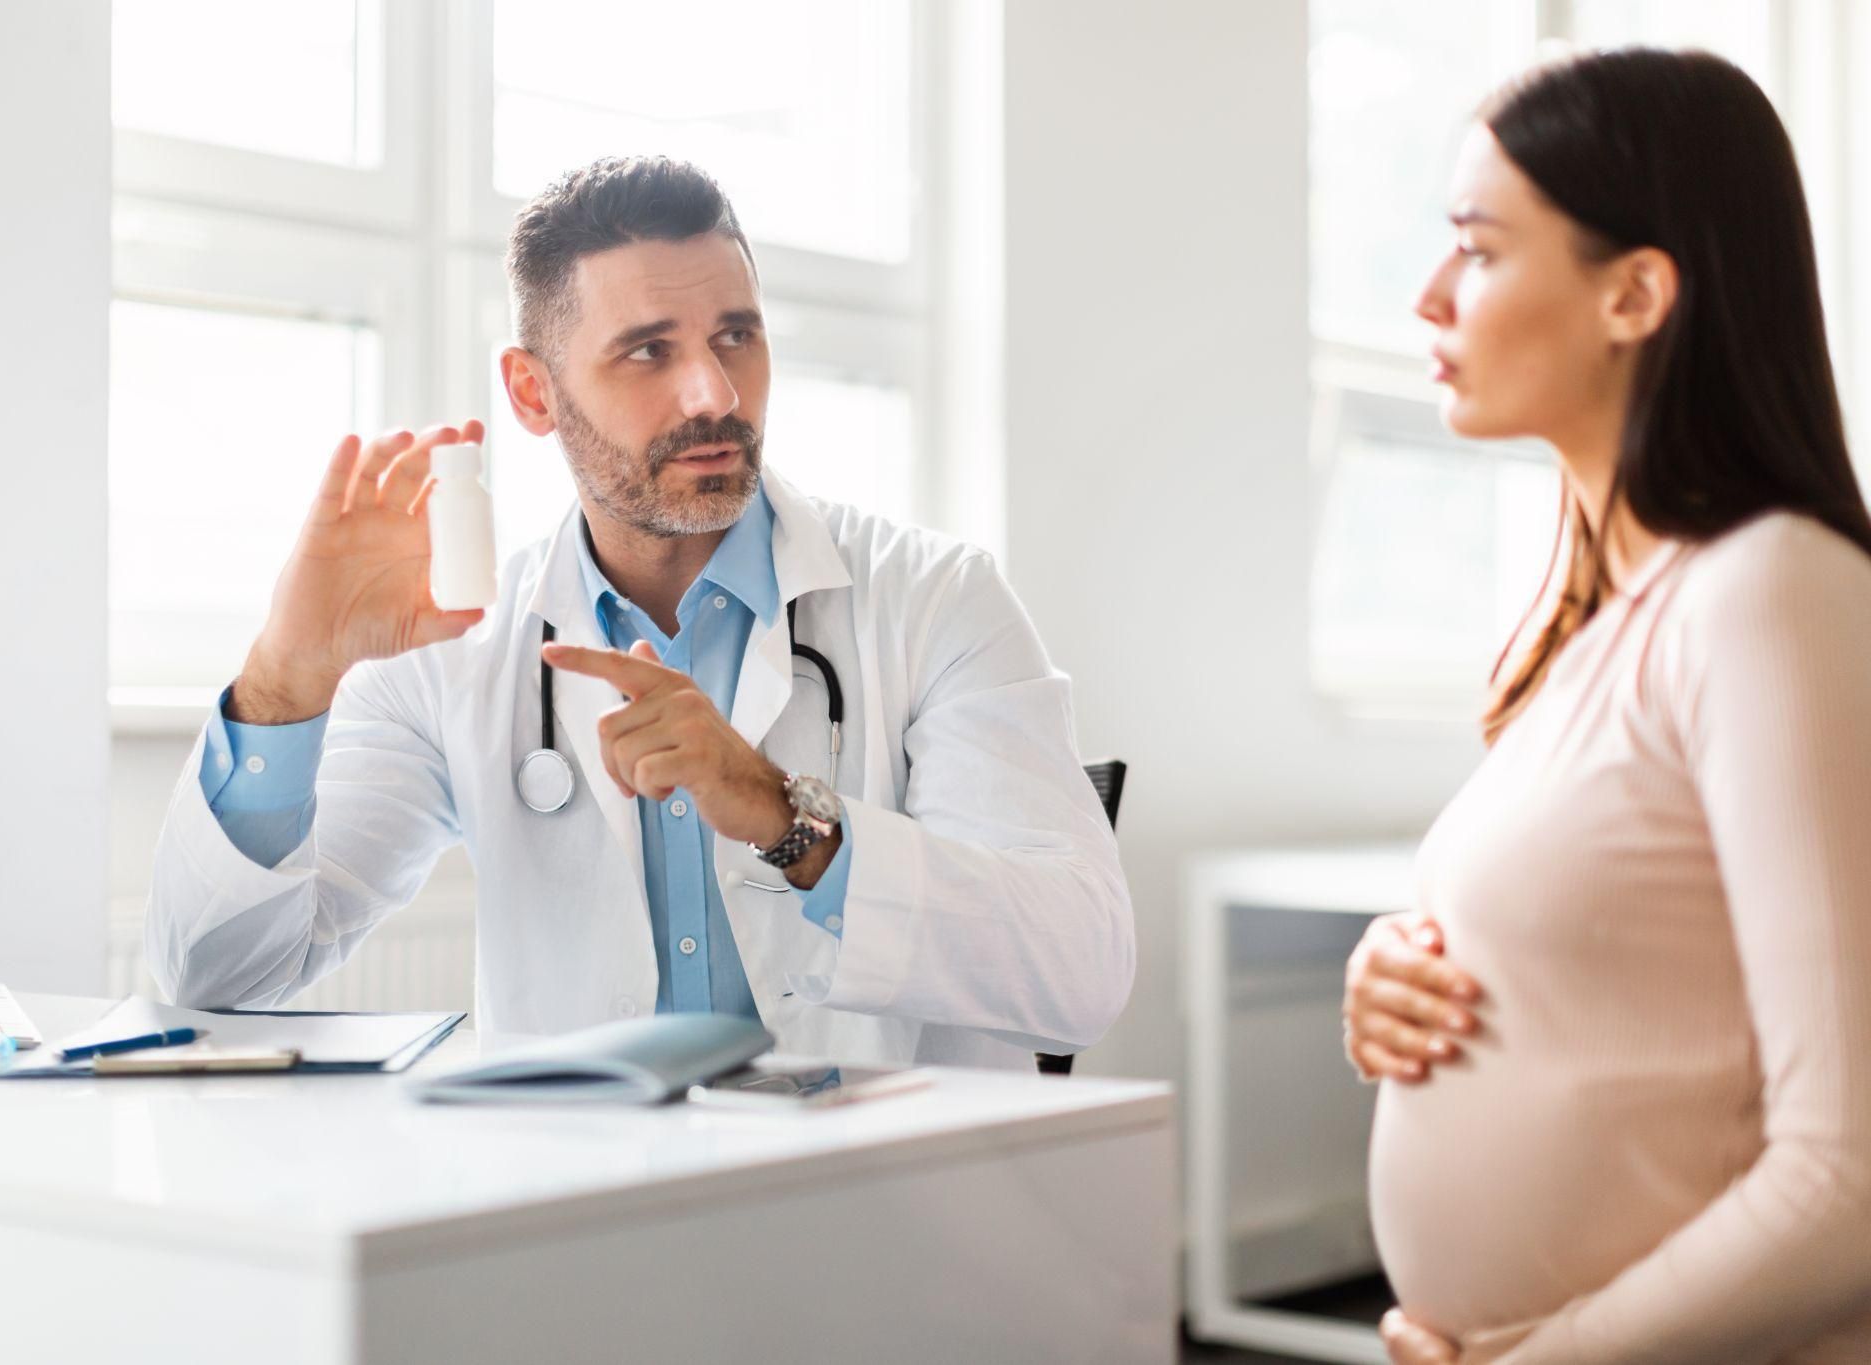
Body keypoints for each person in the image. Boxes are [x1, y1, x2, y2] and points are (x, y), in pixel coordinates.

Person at [145, 156, 1134, 1069]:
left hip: (875, 1217)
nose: (713, 392)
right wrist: (285, 680)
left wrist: (782, 815)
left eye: (735, 337)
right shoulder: (460, 648)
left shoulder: (934, 600)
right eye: (647, 351)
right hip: (583, 1214)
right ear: (533, 393)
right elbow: (216, 982)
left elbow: (1081, 973)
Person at [1339, 49, 1871, 1363]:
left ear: (1635, 292)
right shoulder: (1586, 625)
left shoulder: (1770, 589)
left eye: (1477, 249)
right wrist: (1394, 978)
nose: (1429, 296)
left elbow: (1850, 1178)